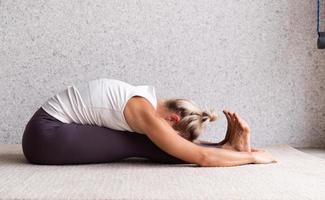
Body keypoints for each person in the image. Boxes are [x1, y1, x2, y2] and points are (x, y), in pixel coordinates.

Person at [22, 78, 277, 167]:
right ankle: (230, 150)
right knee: (142, 144)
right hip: (46, 136)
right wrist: (252, 158)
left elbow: (193, 152)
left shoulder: (144, 99)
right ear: (173, 119)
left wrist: (222, 145)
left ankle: (227, 148)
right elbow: (201, 158)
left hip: (48, 133)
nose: (171, 139)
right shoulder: (142, 110)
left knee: (144, 142)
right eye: (176, 135)